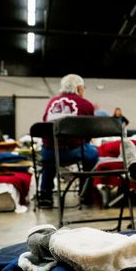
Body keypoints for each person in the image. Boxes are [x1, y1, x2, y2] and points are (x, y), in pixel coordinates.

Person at [38, 74, 99, 208]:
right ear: (79, 88)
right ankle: (85, 192)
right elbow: (90, 131)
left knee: (50, 160)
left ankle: (45, 195)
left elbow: (45, 124)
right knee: (93, 153)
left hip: (48, 152)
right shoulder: (85, 104)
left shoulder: (52, 102)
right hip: (73, 151)